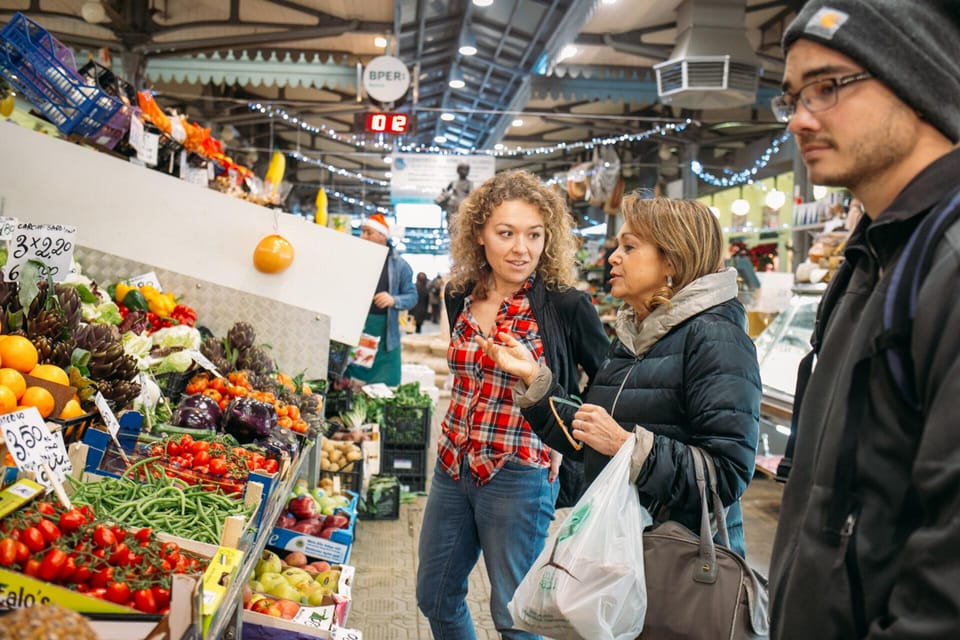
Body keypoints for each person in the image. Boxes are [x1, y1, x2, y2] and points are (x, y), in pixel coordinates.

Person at [767, 2, 960, 638]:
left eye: (827, 87)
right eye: (793, 96)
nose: (799, 119)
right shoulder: (873, 256)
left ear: (917, 84)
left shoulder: (946, 262)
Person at [480, 195, 761, 559]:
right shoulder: (636, 334)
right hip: (623, 554)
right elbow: (590, 438)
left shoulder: (715, 338)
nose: (613, 257)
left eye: (629, 247)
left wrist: (627, 446)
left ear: (672, 260)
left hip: (676, 568)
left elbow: (726, 476)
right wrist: (535, 379)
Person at [415, 169, 609, 639]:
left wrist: (570, 433)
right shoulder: (459, 295)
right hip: (453, 463)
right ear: (480, 235)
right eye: (506, 233)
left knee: (515, 617)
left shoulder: (564, 305)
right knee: (434, 595)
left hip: (519, 473)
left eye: (534, 235)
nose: (521, 248)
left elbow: (607, 380)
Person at [344, 213, 418, 386]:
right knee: (352, 381)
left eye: (368, 232)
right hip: (358, 330)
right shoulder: (354, 261)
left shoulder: (400, 265)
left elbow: (412, 297)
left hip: (386, 333)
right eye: (362, 232)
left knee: (385, 382)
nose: (363, 237)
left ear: (382, 236)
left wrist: (393, 300)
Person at [436, 162, 474, 230]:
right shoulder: (453, 182)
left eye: (467, 170)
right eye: (463, 169)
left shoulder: (469, 183)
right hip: (451, 206)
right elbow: (446, 191)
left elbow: (471, 195)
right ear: (458, 170)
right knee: (451, 226)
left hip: (462, 206)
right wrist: (445, 192)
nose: (465, 172)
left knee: (461, 226)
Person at [727, 240, 762, 308]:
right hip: (748, 292)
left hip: (749, 293)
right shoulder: (742, 261)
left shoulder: (741, 261)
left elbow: (755, 284)